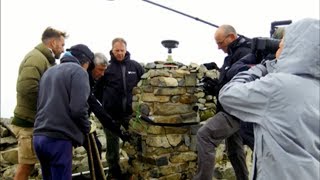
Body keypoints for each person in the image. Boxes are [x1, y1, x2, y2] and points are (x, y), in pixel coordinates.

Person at [219, 18, 320, 180]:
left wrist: (261, 67)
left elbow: (228, 95)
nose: (278, 47)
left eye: (282, 44)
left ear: (295, 48)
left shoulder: (278, 86)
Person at [194, 25, 253, 180]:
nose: (219, 47)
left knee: (204, 136)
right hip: (232, 109)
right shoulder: (232, 55)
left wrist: (219, 89)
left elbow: (242, 86)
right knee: (234, 150)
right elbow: (229, 82)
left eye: (220, 43)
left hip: (235, 111)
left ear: (231, 37)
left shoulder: (246, 54)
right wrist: (214, 86)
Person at [10, 27, 67, 180]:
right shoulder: (36, 58)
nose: (63, 49)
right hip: (27, 123)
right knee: (27, 165)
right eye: (61, 45)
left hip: (35, 122)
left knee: (35, 163)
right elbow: (27, 88)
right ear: (53, 43)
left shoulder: (44, 60)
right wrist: (50, 106)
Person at [33, 44, 96, 179]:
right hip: (58, 139)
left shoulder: (49, 72)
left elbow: (39, 104)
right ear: (86, 61)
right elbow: (78, 109)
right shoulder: (79, 72)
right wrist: (87, 127)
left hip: (39, 136)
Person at [99, 37, 144, 179]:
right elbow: (97, 90)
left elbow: (144, 87)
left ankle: (135, 169)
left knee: (134, 142)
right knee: (112, 146)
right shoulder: (107, 67)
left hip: (131, 115)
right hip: (111, 115)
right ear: (112, 50)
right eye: (116, 50)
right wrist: (105, 104)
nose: (119, 53)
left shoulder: (135, 67)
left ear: (126, 49)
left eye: (122, 50)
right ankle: (114, 172)